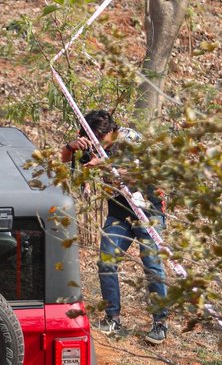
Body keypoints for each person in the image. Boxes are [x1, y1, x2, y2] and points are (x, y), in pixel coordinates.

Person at [62, 109, 168, 345]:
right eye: (93, 139)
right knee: (106, 261)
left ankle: (160, 323)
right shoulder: (93, 143)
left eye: (100, 140)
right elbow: (63, 159)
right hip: (119, 211)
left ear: (110, 132)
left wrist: (106, 165)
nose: (97, 144)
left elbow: (140, 172)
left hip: (146, 210)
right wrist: (72, 146)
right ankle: (113, 318)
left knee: (152, 264)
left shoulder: (130, 139)